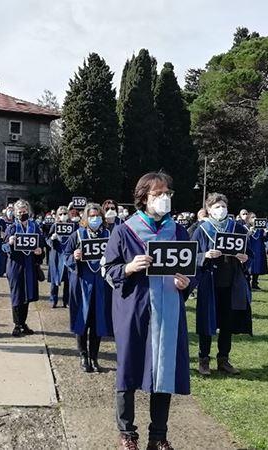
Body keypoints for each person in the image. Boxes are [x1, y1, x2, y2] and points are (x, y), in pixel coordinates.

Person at [103, 173, 193, 450]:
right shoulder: (124, 230)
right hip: (134, 309)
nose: (164, 198)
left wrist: (186, 283)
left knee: (163, 371)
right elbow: (108, 270)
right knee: (129, 369)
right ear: (144, 198)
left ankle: (158, 435)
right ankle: (127, 433)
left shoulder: (178, 232)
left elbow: (192, 270)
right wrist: (128, 268)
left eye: (167, 192)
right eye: (158, 194)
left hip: (168, 309)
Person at [193, 193, 252, 376]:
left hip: (231, 281)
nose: (221, 209)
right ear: (209, 209)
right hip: (209, 281)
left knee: (227, 323)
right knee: (206, 322)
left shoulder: (238, 228)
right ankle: (204, 359)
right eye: (216, 206)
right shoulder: (201, 229)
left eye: (223, 206)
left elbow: (250, 253)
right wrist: (204, 256)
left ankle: (223, 359)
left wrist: (245, 258)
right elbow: (190, 255)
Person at [64, 203, 113, 373]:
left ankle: (94, 357)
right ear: (86, 218)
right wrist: (74, 256)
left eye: (97, 215)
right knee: (82, 320)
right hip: (82, 282)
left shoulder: (108, 235)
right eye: (91, 216)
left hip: (101, 284)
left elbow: (116, 255)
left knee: (97, 320)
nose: (95, 219)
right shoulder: (77, 235)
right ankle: (83, 355)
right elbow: (65, 256)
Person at [2, 200, 45, 336]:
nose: (22, 214)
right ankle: (17, 324)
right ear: (15, 213)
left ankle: (23, 323)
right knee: (16, 295)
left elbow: (41, 244)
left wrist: (40, 251)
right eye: (19, 212)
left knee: (27, 294)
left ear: (28, 212)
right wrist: (9, 242)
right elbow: (3, 247)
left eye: (24, 212)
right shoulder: (12, 228)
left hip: (29, 264)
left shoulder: (35, 226)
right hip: (15, 265)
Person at [47, 206, 71, 308]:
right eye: (60, 214)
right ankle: (53, 299)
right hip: (56, 253)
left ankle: (67, 300)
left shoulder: (72, 226)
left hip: (67, 253)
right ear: (57, 216)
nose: (63, 216)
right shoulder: (55, 226)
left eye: (65, 213)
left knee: (68, 279)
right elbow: (47, 239)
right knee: (55, 278)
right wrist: (52, 238)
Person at [246, 213, 268, 290]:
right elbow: (243, 239)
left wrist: (266, 233)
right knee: (249, 267)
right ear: (248, 219)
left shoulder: (260, 228)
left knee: (258, 266)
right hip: (250, 249)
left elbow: (264, 239)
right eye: (252, 217)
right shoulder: (245, 227)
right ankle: (247, 283)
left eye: (255, 217)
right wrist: (249, 232)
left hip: (259, 249)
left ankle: (255, 283)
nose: (254, 218)